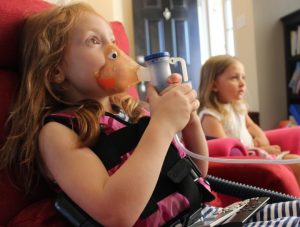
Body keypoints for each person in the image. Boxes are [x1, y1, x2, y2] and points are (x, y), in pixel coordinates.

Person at [0, 3, 299, 227]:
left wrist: (188, 119)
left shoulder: (133, 112)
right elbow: (116, 212)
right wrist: (163, 124)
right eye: (94, 41)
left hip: (209, 215)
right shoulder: (59, 133)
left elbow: (198, 168)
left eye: (112, 41)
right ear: (55, 71)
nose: (113, 51)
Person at [198, 54, 300, 185]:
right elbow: (226, 151)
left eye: (243, 77)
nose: (242, 83)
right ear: (214, 85)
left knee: (296, 160)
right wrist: (258, 149)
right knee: (296, 164)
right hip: (248, 163)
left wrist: (262, 139)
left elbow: (251, 126)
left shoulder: (237, 107)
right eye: (234, 78)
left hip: (257, 155)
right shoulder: (210, 116)